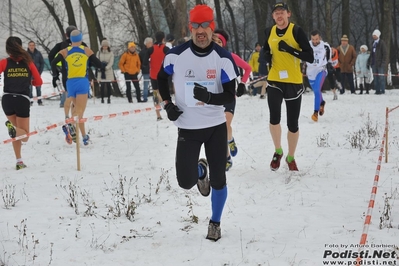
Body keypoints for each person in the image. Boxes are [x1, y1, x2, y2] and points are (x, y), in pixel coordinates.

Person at [157, 4, 239, 241]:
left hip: (215, 127)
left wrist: (210, 98)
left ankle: (215, 222)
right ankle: (199, 171)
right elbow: (161, 79)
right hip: (188, 127)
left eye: (205, 25)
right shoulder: (176, 55)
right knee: (185, 182)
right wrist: (167, 104)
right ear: (190, 28)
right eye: (196, 26)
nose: (200, 31)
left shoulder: (222, 58)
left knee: (220, 179)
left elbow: (230, 96)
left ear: (212, 28)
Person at [263, 2, 314, 171]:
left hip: (293, 81)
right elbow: (265, 51)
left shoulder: (296, 31)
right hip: (275, 80)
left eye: (282, 12)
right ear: (273, 16)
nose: (279, 15)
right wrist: (266, 56)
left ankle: (290, 157)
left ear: (288, 14)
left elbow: (309, 56)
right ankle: (278, 151)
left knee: (292, 123)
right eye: (276, 13)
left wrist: (290, 50)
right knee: (274, 117)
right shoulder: (269, 32)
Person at [51, 30, 102, 146]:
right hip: (82, 82)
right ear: (81, 39)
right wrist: (93, 64)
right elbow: (98, 64)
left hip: (70, 83)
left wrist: (55, 75)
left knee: (78, 112)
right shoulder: (86, 50)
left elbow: (53, 62)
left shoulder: (65, 51)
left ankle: (84, 137)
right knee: (80, 113)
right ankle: (71, 125)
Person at [1, 36, 43, 170]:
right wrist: (26, 81)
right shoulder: (28, 62)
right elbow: (39, 82)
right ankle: (18, 158)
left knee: (17, 133)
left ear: (8, 49)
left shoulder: (4, 62)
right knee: (24, 136)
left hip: (7, 99)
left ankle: (19, 161)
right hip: (22, 100)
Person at [213, 29, 251, 171]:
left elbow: (248, 68)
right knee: (222, 128)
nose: (216, 44)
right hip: (214, 99)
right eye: (214, 41)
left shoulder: (229, 56)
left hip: (228, 97)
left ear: (223, 44)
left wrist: (242, 83)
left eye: (219, 42)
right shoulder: (206, 58)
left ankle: (226, 158)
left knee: (223, 126)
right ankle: (230, 140)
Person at [49, 25, 87, 115]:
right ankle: (74, 121)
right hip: (80, 76)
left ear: (66, 35)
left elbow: (51, 57)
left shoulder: (61, 46)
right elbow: (90, 59)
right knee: (77, 102)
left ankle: (68, 118)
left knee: (69, 96)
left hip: (67, 75)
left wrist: (56, 73)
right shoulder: (83, 45)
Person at [305, 30, 330, 122]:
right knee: (317, 91)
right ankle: (322, 102)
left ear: (320, 38)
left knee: (316, 90)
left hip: (321, 70)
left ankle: (315, 113)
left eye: (316, 39)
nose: (314, 41)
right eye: (313, 39)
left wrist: (326, 64)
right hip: (311, 72)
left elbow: (329, 57)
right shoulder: (307, 45)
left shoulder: (325, 46)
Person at [148, 31, 169, 121]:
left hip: (153, 75)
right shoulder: (166, 48)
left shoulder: (151, 49)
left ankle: (158, 115)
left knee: (156, 93)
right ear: (163, 38)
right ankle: (168, 109)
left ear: (155, 39)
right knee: (165, 93)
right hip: (163, 74)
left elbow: (144, 61)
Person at [367, 29, 387, 95]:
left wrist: (383, 63)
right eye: (373, 35)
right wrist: (369, 62)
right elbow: (371, 54)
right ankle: (377, 90)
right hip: (374, 63)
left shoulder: (382, 43)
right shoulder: (373, 43)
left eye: (375, 35)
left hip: (380, 63)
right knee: (375, 77)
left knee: (381, 77)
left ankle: (382, 90)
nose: (373, 36)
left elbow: (384, 54)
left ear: (378, 35)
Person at [96, 39, 114, 103]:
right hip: (101, 71)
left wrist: (106, 67)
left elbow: (111, 62)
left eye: (106, 46)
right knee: (102, 85)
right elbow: (97, 60)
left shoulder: (111, 53)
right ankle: (102, 98)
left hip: (108, 71)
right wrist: (100, 67)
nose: (105, 47)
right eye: (103, 46)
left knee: (108, 85)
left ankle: (109, 98)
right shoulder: (98, 53)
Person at [27, 40, 45, 106]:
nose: (31, 47)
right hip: (29, 74)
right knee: (29, 89)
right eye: (30, 45)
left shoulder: (38, 53)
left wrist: (39, 72)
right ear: (28, 46)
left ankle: (39, 101)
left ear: (35, 46)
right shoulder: (26, 54)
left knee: (38, 88)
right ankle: (30, 101)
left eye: (33, 45)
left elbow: (42, 63)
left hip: (37, 73)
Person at [139, 37, 153, 102]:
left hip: (153, 70)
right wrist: (143, 67)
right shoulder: (142, 52)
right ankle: (145, 97)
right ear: (146, 44)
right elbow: (140, 62)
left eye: (152, 43)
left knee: (154, 85)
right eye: (150, 43)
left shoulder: (153, 50)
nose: (151, 44)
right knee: (146, 85)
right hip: (146, 71)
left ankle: (156, 97)